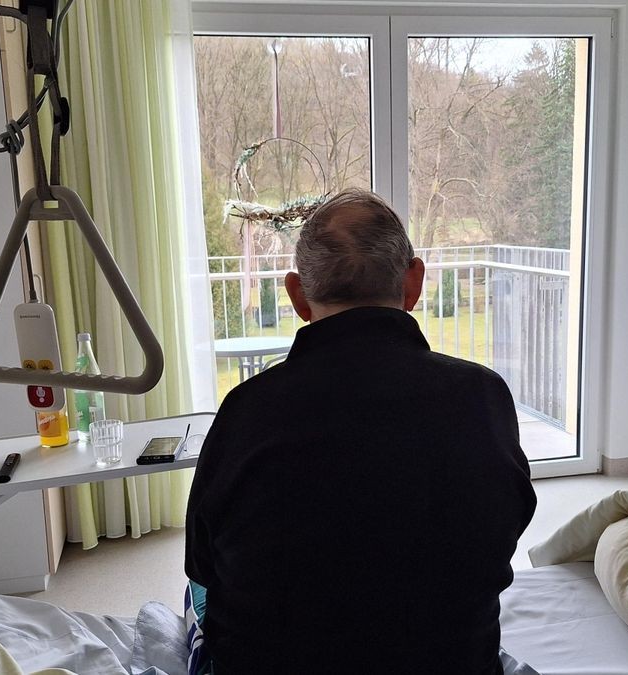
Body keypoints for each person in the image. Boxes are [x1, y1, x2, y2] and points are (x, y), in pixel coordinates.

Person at [185, 189, 537, 674]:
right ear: (413, 283)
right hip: (450, 661)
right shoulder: (482, 395)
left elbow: (202, 563)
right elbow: (504, 531)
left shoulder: (248, 409)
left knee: (196, 593)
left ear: (297, 296)